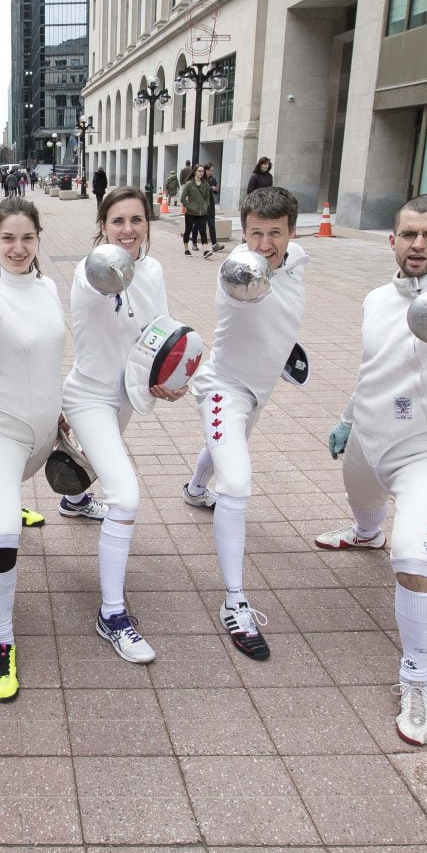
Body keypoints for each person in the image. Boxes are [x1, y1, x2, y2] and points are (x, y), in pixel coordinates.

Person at [314, 194, 427, 746]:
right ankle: (365, 532)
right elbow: (373, 369)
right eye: (410, 234)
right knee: (362, 502)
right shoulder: (375, 298)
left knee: (414, 556)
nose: (420, 245)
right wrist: (347, 418)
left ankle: (416, 678)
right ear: (392, 239)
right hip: (370, 435)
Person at [182, 187, 308, 662]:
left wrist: (286, 352)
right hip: (223, 389)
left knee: (221, 454)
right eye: (255, 232)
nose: (264, 243)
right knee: (236, 481)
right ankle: (234, 600)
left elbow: (280, 317)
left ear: (291, 232)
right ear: (244, 232)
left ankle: (195, 489)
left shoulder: (297, 265)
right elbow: (246, 285)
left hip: (260, 387)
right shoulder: (239, 268)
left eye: (275, 233)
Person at [0, 197, 73, 700]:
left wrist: (64, 415)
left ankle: (16, 499)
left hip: (44, 436)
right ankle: (2, 644)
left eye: (27, 237)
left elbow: (48, 358)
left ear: (38, 239)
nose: (18, 248)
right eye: (7, 239)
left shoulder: (47, 286)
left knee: (16, 500)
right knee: (1, 531)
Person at [64, 187, 179, 664]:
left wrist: (168, 378)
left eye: (136, 220)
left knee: (98, 465)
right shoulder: (91, 271)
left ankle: (73, 496)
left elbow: (160, 335)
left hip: (128, 395)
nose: (128, 229)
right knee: (126, 496)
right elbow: (101, 285)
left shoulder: (152, 271)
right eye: (118, 221)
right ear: (103, 226)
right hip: (89, 396)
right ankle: (112, 614)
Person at [179, 164, 213, 258]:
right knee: (188, 230)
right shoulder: (189, 184)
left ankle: (205, 250)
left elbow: (207, 198)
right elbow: (182, 198)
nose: (201, 173)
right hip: (190, 212)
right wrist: (189, 207)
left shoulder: (205, 184)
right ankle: (186, 249)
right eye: (199, 171)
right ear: (195, 172)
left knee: (203, 231)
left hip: (202, 212)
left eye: (202, 171)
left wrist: (206, 206)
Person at [204, 163, 224, 252]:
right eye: (209, 170)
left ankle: (214, 244)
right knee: (199, 225)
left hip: (210, 205)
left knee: (212, 224)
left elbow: (216, 191)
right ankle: (194, 243)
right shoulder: (201, 179)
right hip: (202, 205)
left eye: (212, 170)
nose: (211, 172)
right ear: (205, 170)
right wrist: (210, 188)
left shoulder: (213, 179)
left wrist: (216, 189)